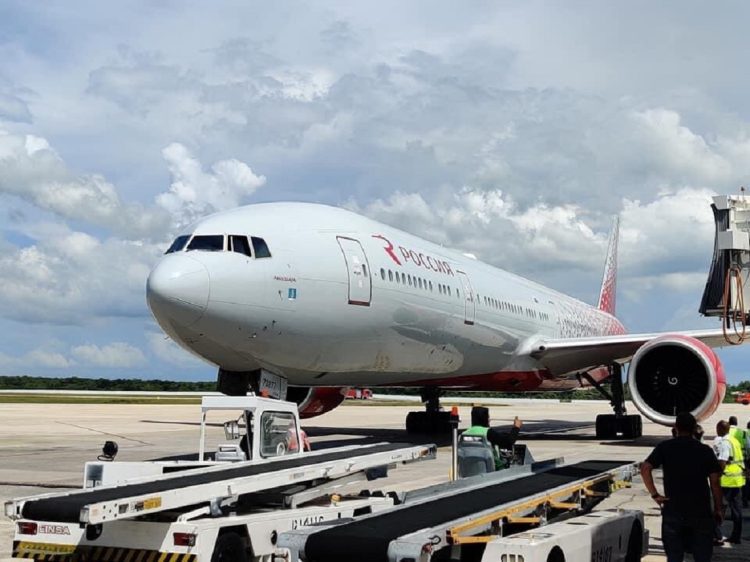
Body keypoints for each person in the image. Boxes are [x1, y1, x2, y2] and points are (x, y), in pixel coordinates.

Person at [640, 412, 722, 562]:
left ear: (676, 428)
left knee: (674, 557)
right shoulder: (705, 450)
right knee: (703, 557)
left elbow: (645, 468)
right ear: (694, 428)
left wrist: (655, 495)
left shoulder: (665, 447)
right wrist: (718, 508)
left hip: (673, 511)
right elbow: (715, 483)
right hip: (700, 512)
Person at [714, 420, 745, 544]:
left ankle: (717, 536)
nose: (716, 431)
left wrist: (717, 475)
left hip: (727, 479)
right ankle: (736, 536)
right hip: (737, 479)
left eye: (717, 428)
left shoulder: (725, 442)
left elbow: (722, 460)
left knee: (719, 507)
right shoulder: (735, 440)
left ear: (722, 429)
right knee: (737, 510)